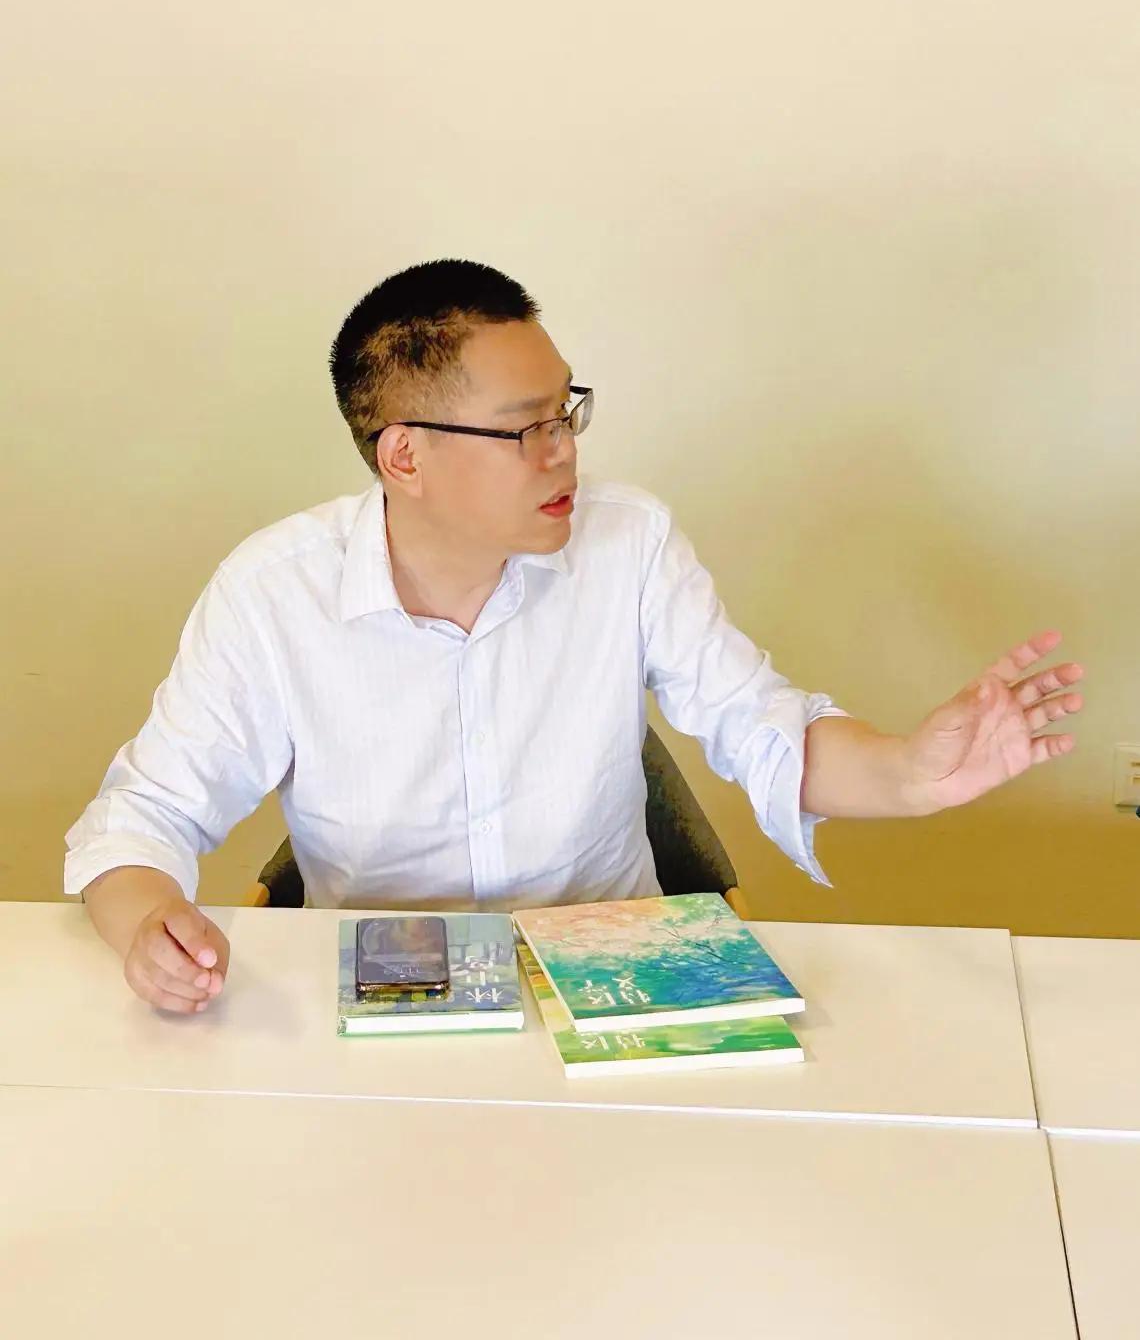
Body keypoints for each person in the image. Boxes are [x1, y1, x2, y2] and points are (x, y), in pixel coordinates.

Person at [64, 259, 1085, 1015]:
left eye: (567, 414)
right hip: (394, 998)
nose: (564, 454)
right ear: (405, 456)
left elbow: (760, 725)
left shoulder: (628, 541)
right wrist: (147, 925)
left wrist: (912, 770)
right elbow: (142, 815)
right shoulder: (275, 593)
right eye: (527, 428)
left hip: (614, 980)